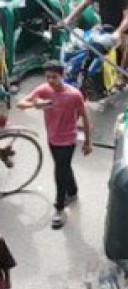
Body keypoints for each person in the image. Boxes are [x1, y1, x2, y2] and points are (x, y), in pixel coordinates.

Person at [16, 61, 92, 228]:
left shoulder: (74, 95)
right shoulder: (44, 90)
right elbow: (20, 104)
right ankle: (73, 191)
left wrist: (88, 142)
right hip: (52, 138)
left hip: (68, 139)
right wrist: (36, 104)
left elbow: (85, 118)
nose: (51, 80)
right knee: (63, 166)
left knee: (59, 172)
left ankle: (59, 208)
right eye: (48, 76)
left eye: (54, 77)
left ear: (62, 75)